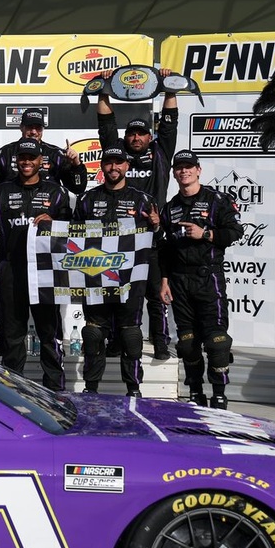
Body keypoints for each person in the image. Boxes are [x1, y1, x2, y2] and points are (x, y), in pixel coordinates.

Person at [0, 138, 73, 389]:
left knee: (49, 333)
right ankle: (13, 391)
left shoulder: (56, 192)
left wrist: (54, 222)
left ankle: (55, 390)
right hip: (12, 271)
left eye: (32, 158)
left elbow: (72, 232)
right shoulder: (1, 192)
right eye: (22, 158)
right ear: (16, 161)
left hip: (45, 273)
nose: (27, 162)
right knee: (12, 336)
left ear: (41, 161)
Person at [97, 69, 177, 359]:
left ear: (149, 136)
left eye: (141, 133)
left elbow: (170, 123)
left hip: (151, 235)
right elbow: (106, 123)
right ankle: (117, 341)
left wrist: (170, 88)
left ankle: (160, 343)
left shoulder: (160, 152)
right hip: (119, 238)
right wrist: (104, 88)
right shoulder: (117, 154)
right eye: (131, 133)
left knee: (155, 295)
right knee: (116, 292)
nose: (135, 137)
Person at [158, 150, 243, 409]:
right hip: (179, 280)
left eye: (189, 167)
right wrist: (164, 280)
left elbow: (235, 231)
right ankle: (195, 394)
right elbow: (164, 249)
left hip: (208, 277)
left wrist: (205, 234)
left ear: (198, 170)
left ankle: (219, 395)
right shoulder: (169, 207)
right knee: (187, 342)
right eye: (179, 167)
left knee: (217, 342)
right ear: (174, 173)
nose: (184, 171)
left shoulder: (217, 200)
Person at [73, 147, 159, 396]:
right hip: (95, 278)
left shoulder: (143, 199)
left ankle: (134, 389)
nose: (114, 167)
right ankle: (91, 389)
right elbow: (72, 238)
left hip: (130, 280)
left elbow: (156, 241)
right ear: (102, 166)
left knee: (131, 335)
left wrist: (156, 226)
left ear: (127, 166)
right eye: (109, 163)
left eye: (118, 163)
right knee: (92, 334)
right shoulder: (87, 199)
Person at [0, 107, 87, 193]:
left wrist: (76, 166)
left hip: (48, 208)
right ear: (21, 127)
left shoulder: (56, 155)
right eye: (30, 127)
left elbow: (78, 188)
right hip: (11, 208)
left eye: (38, 128)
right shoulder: (3, 154)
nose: (34, 132)